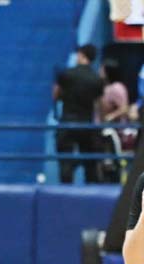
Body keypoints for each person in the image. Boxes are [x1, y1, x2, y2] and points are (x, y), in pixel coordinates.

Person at [54, 44, 104, 184]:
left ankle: (64, 194)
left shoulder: (67, 74)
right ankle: (92, 194)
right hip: (87, 125)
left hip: (67, 123)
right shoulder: (96, 79)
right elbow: (100, 105)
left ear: (81, 54)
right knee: (90, 164)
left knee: (65, 164)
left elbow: (56, 95)